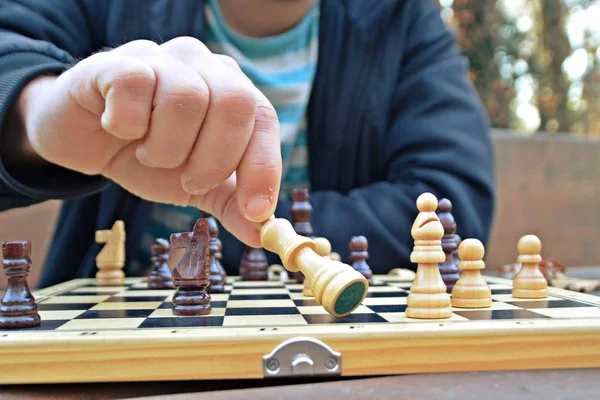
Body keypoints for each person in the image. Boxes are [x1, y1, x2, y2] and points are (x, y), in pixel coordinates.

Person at [0, 0, 495, 288]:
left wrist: (232, 242)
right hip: (115, 356)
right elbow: (12, 46)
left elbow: (452, 204)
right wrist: (34, 111)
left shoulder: (402, 15)